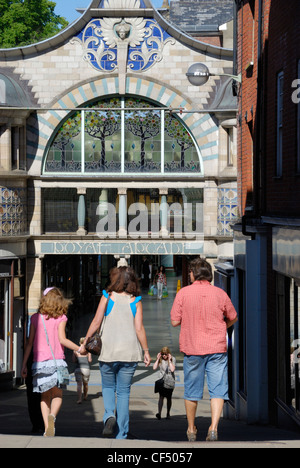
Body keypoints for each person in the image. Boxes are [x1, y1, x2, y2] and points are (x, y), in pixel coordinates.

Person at [170, 258, 238, 442]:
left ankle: (191, 429)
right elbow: (233, 316)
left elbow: (175, 321)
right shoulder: (220, 294)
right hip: (216, 348)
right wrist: (222, 326)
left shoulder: (183, 294)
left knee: (192, 390)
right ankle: (214, 428)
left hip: (192, 348)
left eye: (190, 272)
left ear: (193, 273)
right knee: (218, 390)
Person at [83, 266, 151, 439]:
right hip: (129, 354)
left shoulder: (107, 297)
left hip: (108, 352)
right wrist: (146, 351)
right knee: (124, 392)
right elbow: (139, 328)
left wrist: (85, 344)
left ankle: (109, 416)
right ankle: (122, 434)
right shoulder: (136, 301)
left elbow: (96, 322)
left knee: (107, 387)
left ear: (115, 279)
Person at [21, 287, 84, 437]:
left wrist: (24, 364)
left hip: (40, 364)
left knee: (44, 397)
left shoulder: (35, 318)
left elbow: (30, 344)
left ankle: (47, 427)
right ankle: (53, 417)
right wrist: (79, 348)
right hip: (58, 363)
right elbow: (63, 339)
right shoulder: (61, 318)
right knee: (57, 395)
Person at [153, 346, 176, 420]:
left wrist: (169, 360)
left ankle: (168, 413)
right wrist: (157, 359)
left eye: (165, 354)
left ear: (168, 354)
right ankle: (159, 413)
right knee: (161, 397)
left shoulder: (173, 359)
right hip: (161, 380)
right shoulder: (160, 359)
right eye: (163, 354)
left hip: (169, 381)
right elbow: (154, 367)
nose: (164, 356)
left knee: (169, 398)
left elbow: (172, 369)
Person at [73, 338, 92, 404]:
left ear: (79, 342)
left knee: (79, 384)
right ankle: (85, 396)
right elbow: (90, 360)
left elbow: (74, 361)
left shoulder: (75, 350)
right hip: (86, 368)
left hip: (78, 368)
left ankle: (79, 399)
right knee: (85, 384)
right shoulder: (88, 350)